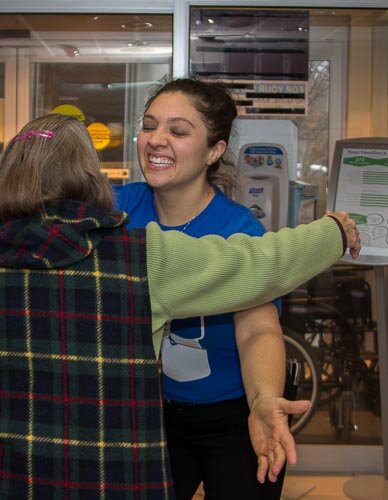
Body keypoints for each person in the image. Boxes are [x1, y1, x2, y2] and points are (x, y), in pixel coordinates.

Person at [0, 113, 359, 498]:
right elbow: (266, 264)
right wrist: (333, 230)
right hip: (101, 478)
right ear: (90, 176)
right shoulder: (143, 255)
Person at [114, 77, 292, 499]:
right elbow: (17, 224)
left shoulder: (237, 229)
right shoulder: (118, 209)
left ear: (215, 151)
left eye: (177, 131)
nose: (156, 140)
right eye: (149, 125)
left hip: (235, 417)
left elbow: (258, 329)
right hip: (149, 416)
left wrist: (265, 399)